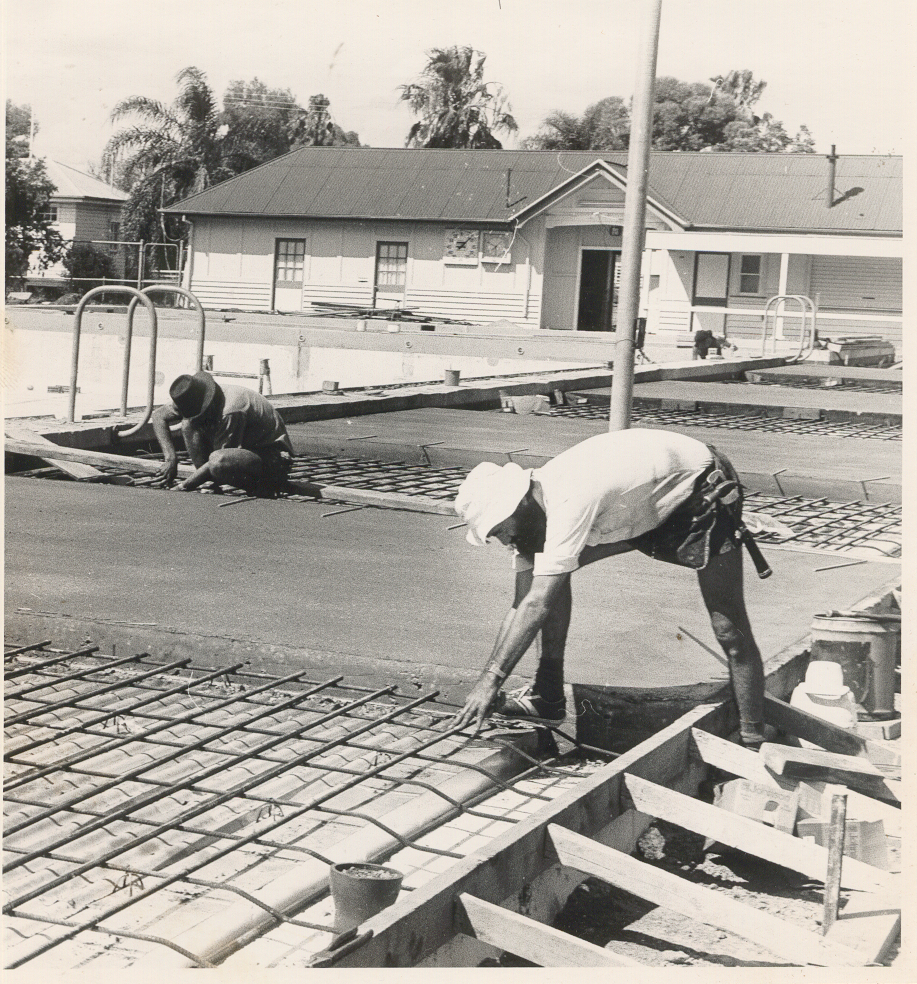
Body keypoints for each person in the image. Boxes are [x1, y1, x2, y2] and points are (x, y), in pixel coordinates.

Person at [450, 429, 768, 749]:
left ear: (517, 506)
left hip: (697, 490)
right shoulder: (533, 511)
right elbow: (522, 603)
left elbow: (537, 604)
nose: (504, 541)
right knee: (546, 577)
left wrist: (490, 682)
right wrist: (486, 679)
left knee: (729, 627)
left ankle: (752, 736)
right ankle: (548, 699)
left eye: (501, 530)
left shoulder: (568, 501)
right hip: (637, 504)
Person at [152, 370, 294, 496]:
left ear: (209, 403)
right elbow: (158, 416)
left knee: (218, 465)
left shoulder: (231, 411)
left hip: (273, 458)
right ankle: (207, 482)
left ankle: (264, 486)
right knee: (188, 424)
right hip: (245, 450)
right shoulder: (193, 395)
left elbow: (220, 459)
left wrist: (184, 485)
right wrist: (170, 459)